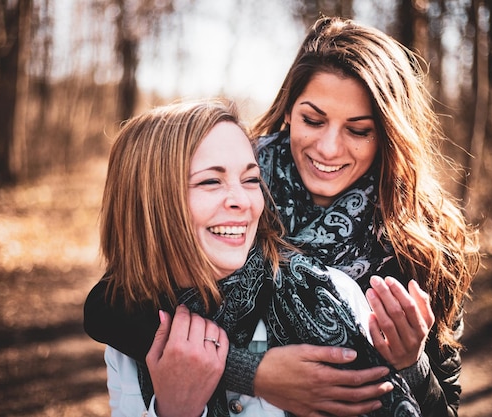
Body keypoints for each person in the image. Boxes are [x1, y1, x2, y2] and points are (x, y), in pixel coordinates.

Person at [85, 16, 480, 417]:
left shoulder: (425, 243)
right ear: (289, 110)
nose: (328, 148)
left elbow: (444, 406)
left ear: (387, 135)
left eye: (358, 130)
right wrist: (250, 372)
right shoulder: (238, 181)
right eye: (313, 119)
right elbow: (110, 305)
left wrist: (411, 364)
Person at [97, 98, 421, 417]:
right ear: (149, 203)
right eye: (211, 181)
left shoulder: (334, 296)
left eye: (251, 180)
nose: (242, 200)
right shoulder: (131, 333)